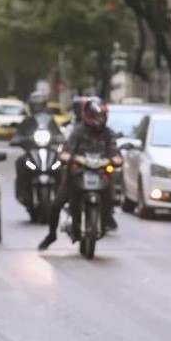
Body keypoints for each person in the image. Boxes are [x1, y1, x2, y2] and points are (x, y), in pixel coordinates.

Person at [38, 97, 121, 250]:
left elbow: (114, 149)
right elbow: (69, 148)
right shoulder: (78, 131)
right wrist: (66, 156)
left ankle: (105, 221)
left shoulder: (108, 133)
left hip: (101, 173)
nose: (99, 119)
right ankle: (51, 234)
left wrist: (116, 158)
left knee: (112, 197)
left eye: (101, 116)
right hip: (78, 173)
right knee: (56, 204)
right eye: (96, 115)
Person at [12, 91, 63, 206]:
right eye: (35, 105)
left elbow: (59, 133)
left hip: (49, 151)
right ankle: (22, 192)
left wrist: (59, 138)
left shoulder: (50, 120)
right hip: (32, 152)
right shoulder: (27, 121)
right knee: (20, 162)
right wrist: (21, 139)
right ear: (30, 106)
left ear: (44, 105)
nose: (37, 108)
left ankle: (62, 193)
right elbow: (18, 135)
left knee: (61, 165)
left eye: (39, 105)